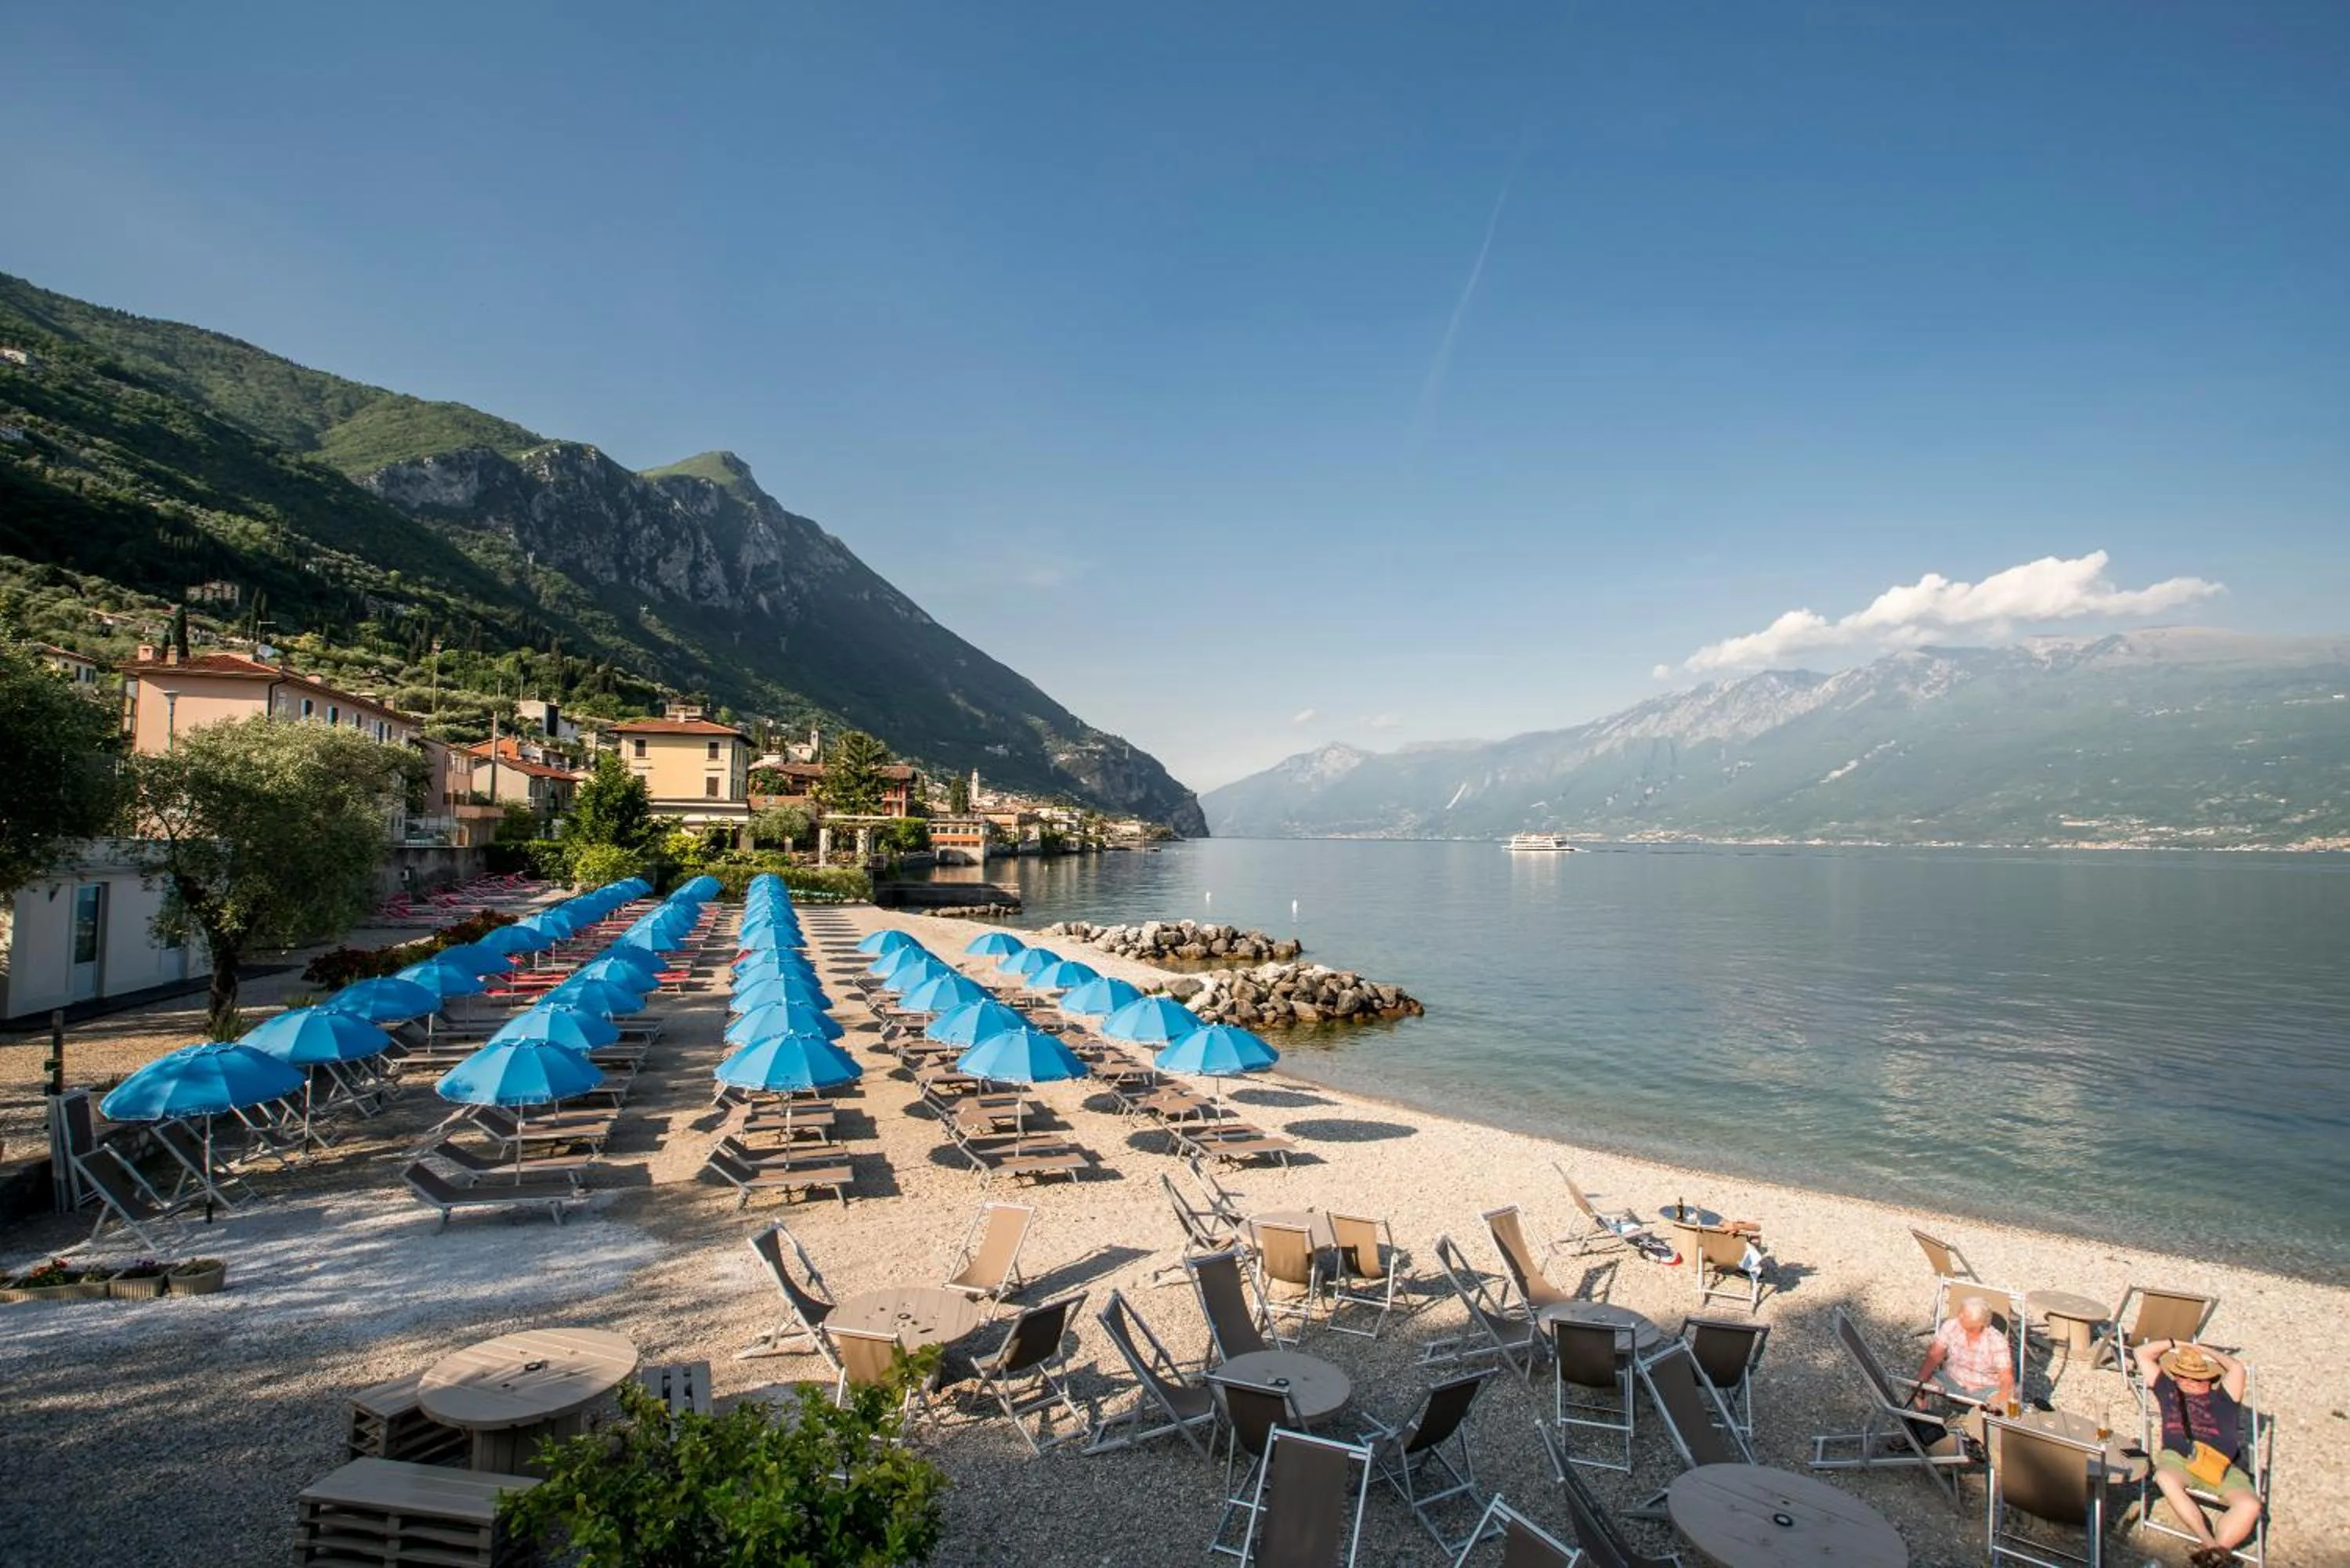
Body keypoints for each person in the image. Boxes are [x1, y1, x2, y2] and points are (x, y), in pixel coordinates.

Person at [2135, 1339, 2261, 1567]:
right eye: (2181, 1375)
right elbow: (2141, 1353)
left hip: (2224, 1465)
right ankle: (2211, 1545)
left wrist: (2203, 1350)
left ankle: (2211, 1556)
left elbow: (2236, 1368)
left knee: (2250, 1506)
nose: (2187, 1382)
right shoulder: (2167, 1389)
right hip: (2181, 1458)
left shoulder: (2225, 1397)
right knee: (2164, 1478)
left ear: (2209, 1377)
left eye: (2194, 1377)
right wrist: (2176, 1342)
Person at [1912, 1295, 2016, 1409]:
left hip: (1985, 1389)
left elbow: (2005, 1375)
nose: (1959, 1316)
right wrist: (1920, 1381)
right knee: (1920, 1390)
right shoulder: (1951, 1326)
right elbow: (1935, 1355)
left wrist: (2002, 1398)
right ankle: (1925, 1421)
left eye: (1964, 1315)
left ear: (1980, 1323)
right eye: (1961, 1312)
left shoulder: (1996, 1340)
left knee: (2005, 1402)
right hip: (1952, 1380)